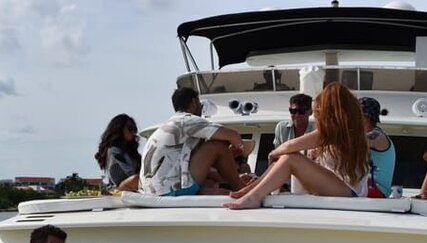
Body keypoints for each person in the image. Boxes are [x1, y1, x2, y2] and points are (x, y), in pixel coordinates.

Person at [225, 82, 370, 210]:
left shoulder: (334, 133)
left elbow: (290, 146)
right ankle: (252, 190)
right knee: (289, 157)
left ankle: (253, 196)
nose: (316, 115)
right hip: (343, 189)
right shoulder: (348, 133)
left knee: (290, 158)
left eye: (319, 111)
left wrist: (273, 154)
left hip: (349, 192)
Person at [140, 87, 251, 196]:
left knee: (209, 174)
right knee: (217, 145)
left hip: (152, 191)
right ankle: (240, 187)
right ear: (194, 103)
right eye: (200, 105)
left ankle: (234, 182)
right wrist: (239, 148)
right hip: (170, 189)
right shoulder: (187, 120)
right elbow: (233, 135)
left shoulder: (167, 126)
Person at [359, 97, 396, 197]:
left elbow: (352, 144)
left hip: (376, 189)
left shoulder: (377, 136)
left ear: (364, 116)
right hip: (368, 187)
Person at [95, 114, 141, 192]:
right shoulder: (114, 150)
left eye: (134, 129)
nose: (133, 132)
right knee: (137, 178)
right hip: (121, 187)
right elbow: (130, 172)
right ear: (119, 129)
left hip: (132, 184)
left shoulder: (130, 152)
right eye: (130, 128)